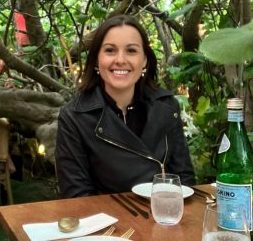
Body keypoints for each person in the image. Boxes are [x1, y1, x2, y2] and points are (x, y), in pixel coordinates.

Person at [55, 15, 195, 198]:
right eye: (110, 50)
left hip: (163, 217)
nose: (120, 60)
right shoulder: (74, 117)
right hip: (108, 224)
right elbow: (77, 197)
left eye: (131, 51)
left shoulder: (167, 108)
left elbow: (184, 181)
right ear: (97, 59)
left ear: (144, 60)